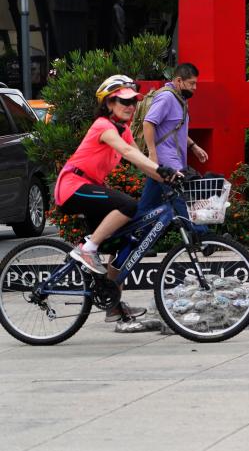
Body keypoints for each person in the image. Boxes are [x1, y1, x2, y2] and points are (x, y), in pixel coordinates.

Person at [54, 75, 177, 321]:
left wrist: (171, 174)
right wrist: (160, 170)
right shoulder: (103, 126)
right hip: (72, 186)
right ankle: (86, 249)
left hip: (89, 187)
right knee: (128, 205)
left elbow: (142, 162)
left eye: (133, 102)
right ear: (109, 103)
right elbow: (128, 152)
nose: (130, 106)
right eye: (124, 101)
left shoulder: (123, 129)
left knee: (123, 242)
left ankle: (112, 304)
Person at [137, 63, 208, 218]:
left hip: (169, 162)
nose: (195, 87)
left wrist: (193, 146)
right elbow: (148, 123)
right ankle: (203, 239)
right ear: (178, 81)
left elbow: (174, 129)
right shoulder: (166, 97)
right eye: (191, 83)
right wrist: (152, 155)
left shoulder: (180, 99)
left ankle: (130, 238)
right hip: (167, 162)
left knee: (145, 207)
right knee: (186, 204)